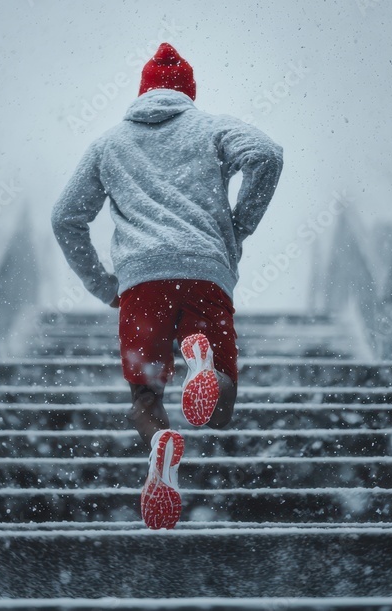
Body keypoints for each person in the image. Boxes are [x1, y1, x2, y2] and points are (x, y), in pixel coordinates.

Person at [51, 42, 283, 530]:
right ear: (188, 93)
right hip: (205, 274)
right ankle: (200, 357)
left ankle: (159, 444)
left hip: (141, 285)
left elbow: (65, 217)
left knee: (145, 399)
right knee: (220, 412)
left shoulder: (108, 144)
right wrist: (238, 229)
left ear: (141, 93)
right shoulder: (212, 126)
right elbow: (266, 154)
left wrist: (102, 284)